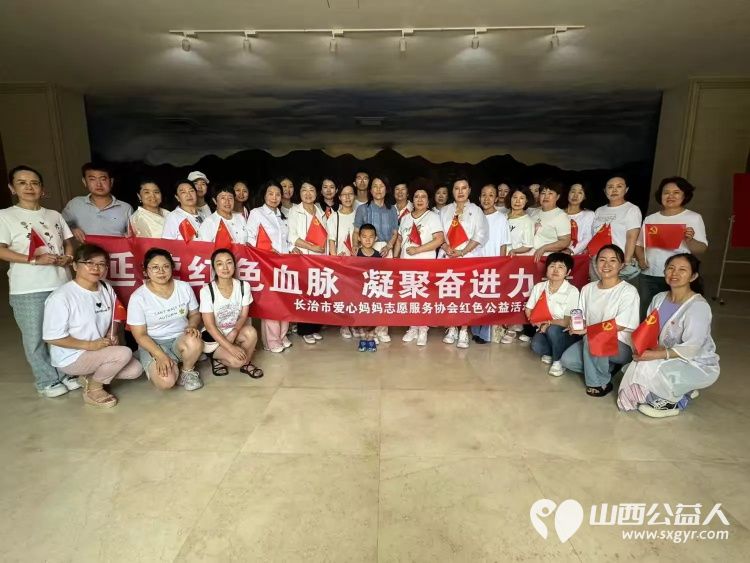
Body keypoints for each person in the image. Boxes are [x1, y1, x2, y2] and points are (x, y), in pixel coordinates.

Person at [1, 165, 77, 397]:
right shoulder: (5, 216)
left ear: (42, 188)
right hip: (28, 288)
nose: (29, 187)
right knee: (34, 337)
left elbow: (69, 242)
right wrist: (34, 260)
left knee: (62, 332)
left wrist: (68, 257)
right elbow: (1, 250)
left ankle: (66, 373)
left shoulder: (54, 215)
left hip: (61, 284)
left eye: (34, 183)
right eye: (22, 183)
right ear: (12, 188)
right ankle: (47, 381)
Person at [618, 254, 719, 417]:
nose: (674, 273)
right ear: (664, 271)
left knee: (643, 369)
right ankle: (683, 388)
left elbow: (693, 348)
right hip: (663, 355)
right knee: (635, 368)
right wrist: (644, 349)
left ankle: (675, 402)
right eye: (671, 268)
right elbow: (649, 330)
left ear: (693, 276)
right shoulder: (658, 298)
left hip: (695, 363)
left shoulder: (698, 306)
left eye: (682, 270)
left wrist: (655, 355)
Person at [42, 244, 143, 407]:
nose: (96, 268)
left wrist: (111, 333)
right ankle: (94, 389)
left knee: (135, 370)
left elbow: (116, 313)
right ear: (75, 265)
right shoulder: (61, 297)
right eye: (89, 263)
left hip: (99, 349)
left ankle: (88, 377)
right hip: (72, 356)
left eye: (101, 264)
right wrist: (90, 345)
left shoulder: (105, 287)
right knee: (123, 353)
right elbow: (52, 337)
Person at [560, 244, 640, 397]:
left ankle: (599, 383)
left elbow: (620, 325)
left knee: (593, 338)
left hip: (621, 345)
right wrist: (575, 325)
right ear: (596, 264)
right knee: (568, 360)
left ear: (621, 265)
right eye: (602, 260)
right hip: (592, 342)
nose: (606, 265)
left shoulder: (628, 291)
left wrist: (588, 331)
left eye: (613, 260)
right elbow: (582, 316)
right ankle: (608, 367)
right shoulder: (588, 289)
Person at [127, 248, 204, 391]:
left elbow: (195, 314)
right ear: (146, 271)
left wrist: (192, 325)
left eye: (166, 266)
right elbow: (140, 335)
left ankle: (187, 371)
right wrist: (160, 355)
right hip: (154, 343)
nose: (161, 271)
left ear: (172, 268)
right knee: (166, 382)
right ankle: (147, 357)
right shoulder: (138, 297)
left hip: (180, 338)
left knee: (194, 339)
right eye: (155, 267)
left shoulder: (184, 287)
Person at [635, 177, 708, 319]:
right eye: (666, 192)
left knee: (671, 315)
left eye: (676, 192)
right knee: (647, 313)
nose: (670, 196)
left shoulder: (693, 218)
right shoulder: (651, 219)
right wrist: (641, 259)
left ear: (684, 195)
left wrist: (690, 240)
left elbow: (701, 249)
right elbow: (639, 245)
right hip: (649, 274)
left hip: (677, 276)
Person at [439, 178, 489, 349]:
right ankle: (452, 328)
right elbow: (438, 234)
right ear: (452, 191)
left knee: (466, 296)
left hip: (468, 257)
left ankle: (464, 330)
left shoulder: (476, 211)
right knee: (450, 294)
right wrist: (446, 247)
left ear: (469, 190)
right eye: (456, 188)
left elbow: (480, 235)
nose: (460, 192)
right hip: (448, 256)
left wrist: (462, 252)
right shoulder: (445, 210)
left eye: (464, 188)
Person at [200, 248, 262, 378]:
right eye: (219, 264)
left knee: (251, 332)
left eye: (229, 262)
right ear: (214, 268)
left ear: (234, 265)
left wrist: (234, 331)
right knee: (237, 361)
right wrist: (230, 347)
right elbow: (210, 326)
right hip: (214, 337)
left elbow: (243, 315)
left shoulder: (243, 286)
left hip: (233, 331)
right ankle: (217, 359)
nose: (225, 267)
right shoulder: (207, 291)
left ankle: (246, 364)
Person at [247, 181, 293, 352]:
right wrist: (265, 251)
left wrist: (292, 248)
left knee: (285, 301)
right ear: (264, 195)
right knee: (272, 303)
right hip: (266, 265)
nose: (274, 197)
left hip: (284, 265)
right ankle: (271, 341)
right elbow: (250, 239)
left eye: (278, 194)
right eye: (270, 194)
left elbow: (286, 240)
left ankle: (282, 335)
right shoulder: (256, 213)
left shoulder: (282, 216)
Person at [399, 183, 445, 346]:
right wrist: (396, 260)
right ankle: (413, 327)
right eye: (416, 196)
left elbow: (439, 240)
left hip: (425, 264)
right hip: (406, 265)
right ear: (412, 199)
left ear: (428, 200)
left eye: (423, 197)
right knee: (410, 297)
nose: (419, 199)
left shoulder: (432, 217)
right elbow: (400, 240)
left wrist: (417, 250)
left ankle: (423, 329)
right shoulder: (405, 218)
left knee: (423, 297)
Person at [526, 253, 581, 377]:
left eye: (561, 267)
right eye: (552, 266)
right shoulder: (539, 287)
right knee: (536, 345)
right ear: (546, 269)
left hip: (564, 332)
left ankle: (558, 361)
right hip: (544, 329)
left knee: (553, 330)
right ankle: (553, 352)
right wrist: (536, 322)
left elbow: (568, 321)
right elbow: (529, 309)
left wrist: (548, 323)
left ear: (568, 272)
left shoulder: (572, 291)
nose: (555, 270)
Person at [288, 181, 328, 344]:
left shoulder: (320, 211)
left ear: (316, 193)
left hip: (319, 260)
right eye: (304, 190)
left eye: (311, 190)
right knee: (304, 294)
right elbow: (292, 236)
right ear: (300, 193)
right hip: (303, 259)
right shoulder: (294, 211)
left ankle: (315, 328)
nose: (308, 193)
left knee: (317, 293)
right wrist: (311, 247)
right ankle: (305, 330)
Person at [471, 183, 511, 344]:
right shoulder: (474, 216)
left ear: (496, 198)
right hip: (475, 262)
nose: (486, 199)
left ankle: (485, 334)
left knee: (488, 298)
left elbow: (504, 244)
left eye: (490, 195)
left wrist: (501, 265)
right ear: (479, 197)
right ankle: (475, 329)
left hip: (493, 264)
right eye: (483, 195)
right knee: (475, 297)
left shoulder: (501, 218)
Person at [62, 162, 133, 241]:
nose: (98, 184)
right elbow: (59, 226)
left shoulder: (126, 208)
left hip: (117, 249)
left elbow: (134, 238)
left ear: (111, 181)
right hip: (85, 249)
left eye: (103, 179)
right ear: (84, 182)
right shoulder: (75, 204)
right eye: (92, 179)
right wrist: (72, 229)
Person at [501, 185, 535, 345]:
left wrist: (514, 251)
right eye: (515, 197)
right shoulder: (503, 216)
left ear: (526, 201)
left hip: (517, 262)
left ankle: (513, 327)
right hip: (500, 261)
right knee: (501, 293)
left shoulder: (527, 220)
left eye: (522, 198)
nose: (517, 201)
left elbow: (528, 245)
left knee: (514, 294)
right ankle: (500, 323)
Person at [590, 176, 642, 282]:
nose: (614, 190)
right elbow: (593, 235)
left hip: (617, 261)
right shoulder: (599, 210)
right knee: (597, 289)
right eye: (610, 187)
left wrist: (626, 262)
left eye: (619, 186)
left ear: (626, 190)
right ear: (605, 191)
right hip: (597, 260)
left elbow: (632, 237)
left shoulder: (631, 209)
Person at [327, 185, 358, 338]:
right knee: (343, 294)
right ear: (339, 198)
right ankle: (344, 325)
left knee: (356, 294)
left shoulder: (359, 216)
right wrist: (335, 259)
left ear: (355, 196)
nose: (347, 197)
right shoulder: (334, 217)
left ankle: (355, 323)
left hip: (357, 262)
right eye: (344, 195)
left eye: (350, 194)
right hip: (341, 261)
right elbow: (331, 240)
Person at [353, 176, 400, 256]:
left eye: (381, 186)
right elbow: (356, 231)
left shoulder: (392, 209)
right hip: (366, 251)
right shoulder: (362, 209)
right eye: (375, 186)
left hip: (386, 251)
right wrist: (355, 245)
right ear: (371, 190)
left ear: (386, 189)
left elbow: (395, 233)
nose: (378, 189)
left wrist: (388, 247)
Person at [354, 224, 381, 352]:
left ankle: (370, 338)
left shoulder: (378, 255)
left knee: (372, 315)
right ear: (359, 238)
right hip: (359, 292)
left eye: (371, 237)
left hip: (373, 292)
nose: (368, 240)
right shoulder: (355, 254)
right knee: (361, 314)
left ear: (376, 238)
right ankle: (363, 338)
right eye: (364, 237)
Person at [532, 181, 571, 263]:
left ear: (557, 197)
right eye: (543, 193)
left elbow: (565, 241)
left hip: (546, 259)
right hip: (528, 256)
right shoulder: (534, 213)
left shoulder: (561, 216)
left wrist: (544, 248)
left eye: (550, 193)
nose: (546, 196)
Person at [564, 183, 595, 255]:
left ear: (585, 196)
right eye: (573, 191)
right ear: (568, 193)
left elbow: (587, 237)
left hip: (577, 256)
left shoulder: (589, 214)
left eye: (580, 192)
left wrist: (570, 250)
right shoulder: (558, 213)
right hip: (555, 254)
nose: (575, 195)